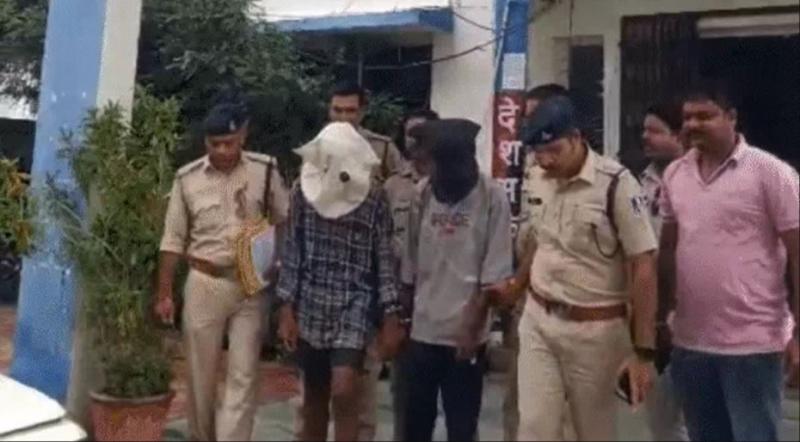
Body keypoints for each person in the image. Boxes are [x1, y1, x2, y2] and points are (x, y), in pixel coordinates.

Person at [489, 95, 659, 441]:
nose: (546, 160)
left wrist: (643, 351)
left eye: (554, 150)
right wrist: (516, 287)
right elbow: (541, 240)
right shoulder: (537, 176)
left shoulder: (616, 184)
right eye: (539, 152)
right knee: (533, 428)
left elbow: (643, 264)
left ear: (576, 138)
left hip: (596, 331)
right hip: (539, 320)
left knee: (592, 431)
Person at [659, 83, 799, 441]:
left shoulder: (770, 172)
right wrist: (661, 320)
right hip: (691, 343)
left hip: (753, 345)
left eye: (705, 116)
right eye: (687, 117)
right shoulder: (675, 174)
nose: (693, 125)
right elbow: (668, 251)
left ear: (731, 118)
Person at [154, 102, 290, 441]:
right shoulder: (187, 178)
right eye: (215, 144)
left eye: (230, 142)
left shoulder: (265, 170)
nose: (223, 151)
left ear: (243, 135)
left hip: (250, 284)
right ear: (206, 142)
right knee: (200, 374)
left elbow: (283, 220)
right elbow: (172, 238)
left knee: (244, 374)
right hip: (205, 280)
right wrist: (165, 292)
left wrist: (276, 259)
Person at [276, 122, 405, 442]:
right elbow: (293, 250)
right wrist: (286, 307)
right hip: (311, 299)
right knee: (314, 396)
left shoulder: (374, 199)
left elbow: (384, 259)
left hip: (354, 301)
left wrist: (391, 314)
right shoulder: (301, 193)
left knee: (345, 389)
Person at [401, 118, 514, 442]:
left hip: (467, 335)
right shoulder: (422, 194)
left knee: (462, 427)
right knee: (415, 426)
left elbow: (494, 275)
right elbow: (410, 263)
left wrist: (471, 329)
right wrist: (403, 320)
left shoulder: (493, 197)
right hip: (423, 331)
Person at [507, 83, 569, 441]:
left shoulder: (584, 173)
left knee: (564, 414)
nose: (527, 125)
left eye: (535, 117)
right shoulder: (530, 168)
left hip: (566, 305)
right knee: (521, 406)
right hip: (527, 302)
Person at [384, 108, 439, 442]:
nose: (416, 140)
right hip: (404, 303)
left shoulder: (457, 182)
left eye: (423, 132)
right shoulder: (392, 187)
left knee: (456, 399)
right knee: (405, 395)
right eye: (410, 134)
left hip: (444, 302)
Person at [638, 101, 689, 442]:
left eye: (655, 131)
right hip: (652, 307)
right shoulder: (637, 181)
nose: (646, 137)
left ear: (678, 136)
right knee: (662, 417)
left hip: (691, 306)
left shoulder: (696, 180)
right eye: (644, 130)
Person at [329, 80, 405, 182]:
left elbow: (404, 185)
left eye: (350, 111)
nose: (343, 117)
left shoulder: (383, 149)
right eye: (337, 110)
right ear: (329, 111)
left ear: (362, 112)